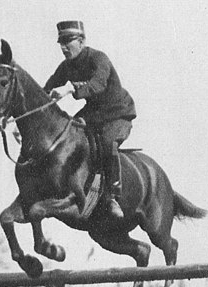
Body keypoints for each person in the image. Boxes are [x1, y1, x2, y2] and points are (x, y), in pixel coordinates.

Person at [44, 21, 136, 219]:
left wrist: (71, 89)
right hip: (94, 113)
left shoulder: (98, 58)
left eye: (68, 41)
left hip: (118, 113)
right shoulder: (66, 66)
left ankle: (113, 197)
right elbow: (47, 90)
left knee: (106, 143)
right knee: (68, 133)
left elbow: (98, 85)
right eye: (61, 42)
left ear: (82, 41)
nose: (63, 47)